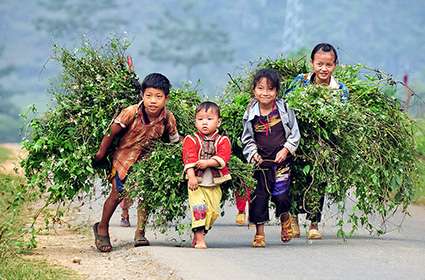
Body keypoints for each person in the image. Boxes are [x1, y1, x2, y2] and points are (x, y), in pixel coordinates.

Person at [92, 73, 180, 252]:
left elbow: (174, 141)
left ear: (166, 98)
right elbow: (111, 133)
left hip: (147, 163)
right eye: (149, 96)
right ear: (142, 95)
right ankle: (101, 228)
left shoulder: (167, 118)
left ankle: (140, 233)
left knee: (145, 195)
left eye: (158, 96)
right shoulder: (131, 112)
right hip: (122, 160)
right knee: (118, 194)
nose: (153, 101)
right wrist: (101, 154)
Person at [287, 43, 349, 240]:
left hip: (324, 144)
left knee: (319, 180)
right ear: (312, 63)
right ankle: (294, 220)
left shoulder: (339, 89)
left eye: (328, 65)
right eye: (319, 64)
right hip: (299, 141)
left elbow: (342, 116)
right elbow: (287, 106)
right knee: (296, 179)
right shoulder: (301, 81)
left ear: (335, 65)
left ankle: (314, 223)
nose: (324, 69)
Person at [241, 68, 301, 247]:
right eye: (260, 88)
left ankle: (285, 219)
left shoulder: (284, 108)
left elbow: (295, 133)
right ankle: (259, 234)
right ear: (254, 89)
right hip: (261, 162)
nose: (265, 93)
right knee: (258, 197)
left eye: (270, 89)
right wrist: (253, 154)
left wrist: (286, 150)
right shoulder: (250, 113)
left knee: (281, 195)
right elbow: (247, 138)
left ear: (276, 91)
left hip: (282, 161)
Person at [182, 101, 232, 249]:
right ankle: (200, 240)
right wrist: (191, 177)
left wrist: (208, 162)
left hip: (214, 183)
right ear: (195, 122)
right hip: (196, 183)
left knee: (213, 212)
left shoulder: (223, 140)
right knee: (199, 209)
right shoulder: (191, 139)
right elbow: (189, 158)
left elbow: (223, 157)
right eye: (200, 119)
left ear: (218, 122)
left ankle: (200, 234)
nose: (204, 123)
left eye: (209, 119)